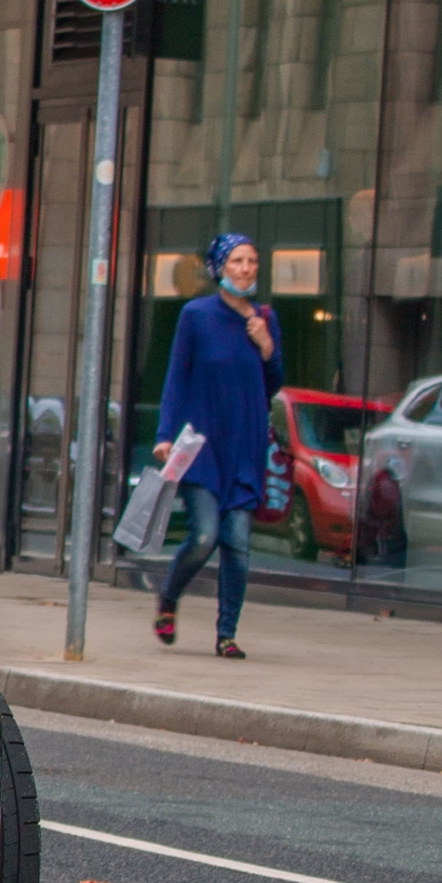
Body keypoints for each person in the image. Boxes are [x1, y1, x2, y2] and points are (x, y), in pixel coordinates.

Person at [150, 230, 283, 658]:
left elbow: (272, 383)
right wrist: (164, 436)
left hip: (244, 448)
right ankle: (169, 597)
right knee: (205, 535)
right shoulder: (196, 315)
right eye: (238, 262)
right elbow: (175, 378)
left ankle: (227, 635)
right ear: (220, 268)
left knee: (238, 546)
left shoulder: (264, 319)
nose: (246, 269)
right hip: (201, 448)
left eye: (252, 262)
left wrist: (266, 346)